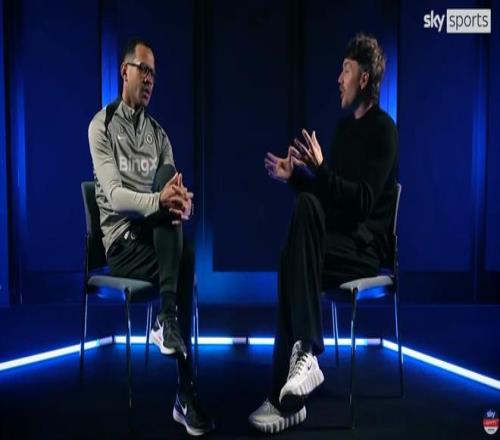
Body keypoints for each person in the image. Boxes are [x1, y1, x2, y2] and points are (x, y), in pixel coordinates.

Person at [249, 33, 398, 434]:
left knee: (292, 256)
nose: (338, 79)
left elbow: (362, 202)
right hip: (336, 241)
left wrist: (321, 170)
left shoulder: (384, 131)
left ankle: (297, 370)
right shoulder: (344, 129)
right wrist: (297, 177)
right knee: (296, 240)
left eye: (346, 71)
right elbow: (327, 198)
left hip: (364, 248)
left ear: (364, 79)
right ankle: (293, 386)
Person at [88, 38, 214, 436]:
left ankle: (167, 319)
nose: (149, 80)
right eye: (143, 70)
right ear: (124, 71)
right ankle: (185, 391)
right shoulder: (101, 126)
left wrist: (182, 203)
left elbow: (171, 189)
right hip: (121, 242)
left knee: (169, 191)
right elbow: (114, 196)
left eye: (154, 74)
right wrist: (161, 201)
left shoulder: (159, 135)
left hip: (153, 237)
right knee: (184, 256)